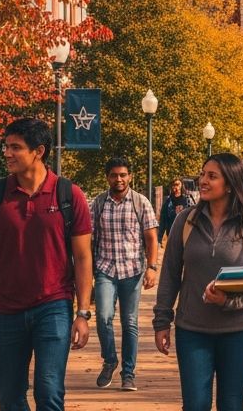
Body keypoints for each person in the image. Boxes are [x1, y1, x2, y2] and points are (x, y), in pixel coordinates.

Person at [0, 118, 93, 411]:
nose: (7, 153)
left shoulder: (69, 195)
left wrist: (83, 312)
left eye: (16, 147)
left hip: (54, 306)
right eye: (6, 146)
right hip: (5, 310)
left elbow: (84, 257)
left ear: (39, 151)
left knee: (48, 392)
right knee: (10, 397)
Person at [153, 152, 243, 411]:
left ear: (230, 184)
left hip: (240, 332)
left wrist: (230, 302)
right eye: (202, 175)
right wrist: (162, 320)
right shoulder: (185, 221)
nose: (203, 181)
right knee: (195, 404)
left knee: (231, 405)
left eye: (212, 176)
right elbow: (170, 274)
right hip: (192, 331)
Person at [90, 157, 159, 391]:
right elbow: (88, 238)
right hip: (105, 269)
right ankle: (110, 360)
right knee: (103, 316)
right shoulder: (98, 203)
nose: (118, 179)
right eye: (114, 175)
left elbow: (151, 237)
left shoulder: (141, 202)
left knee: (130, 322)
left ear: (129, 176)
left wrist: (152, 267)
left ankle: (128, 373)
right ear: (107, 177)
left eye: (123, 175)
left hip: (132, 271)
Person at [158, 177, 194, 244]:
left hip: (185, 234)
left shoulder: (187, 200)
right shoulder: (168, 202)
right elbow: (163, 220)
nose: (176, 187)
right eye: (174, 185)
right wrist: (159, 239)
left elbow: (194, 216)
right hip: (172, 234)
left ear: (181, 186)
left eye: (177, 184)